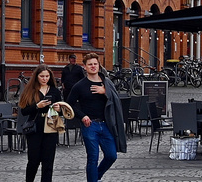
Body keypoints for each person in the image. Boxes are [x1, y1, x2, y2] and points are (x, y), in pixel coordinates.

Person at [71, 52, 127, 182]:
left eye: (95, 64)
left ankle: (96, 177)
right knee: (92, 157)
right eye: (90, 64)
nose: (93, 66)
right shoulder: (79, 86)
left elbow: (117, 99)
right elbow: (69, 104)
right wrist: (82, 116)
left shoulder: (106, 83)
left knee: (111, 156)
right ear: (84, 67)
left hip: (106, 124)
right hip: (90, 125)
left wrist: (105, 92)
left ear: (99, 65)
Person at [18, 66, 70, 182]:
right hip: (35, 128)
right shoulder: (30, 90)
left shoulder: (54, 91)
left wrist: (58, 108)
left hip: (50, 128)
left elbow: (61, 111)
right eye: (42, 76)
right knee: (33, 160)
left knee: (48, 162)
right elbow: (24, 111)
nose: (44, 79)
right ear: (36, 77)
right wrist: (37, 106)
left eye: (47, 76)